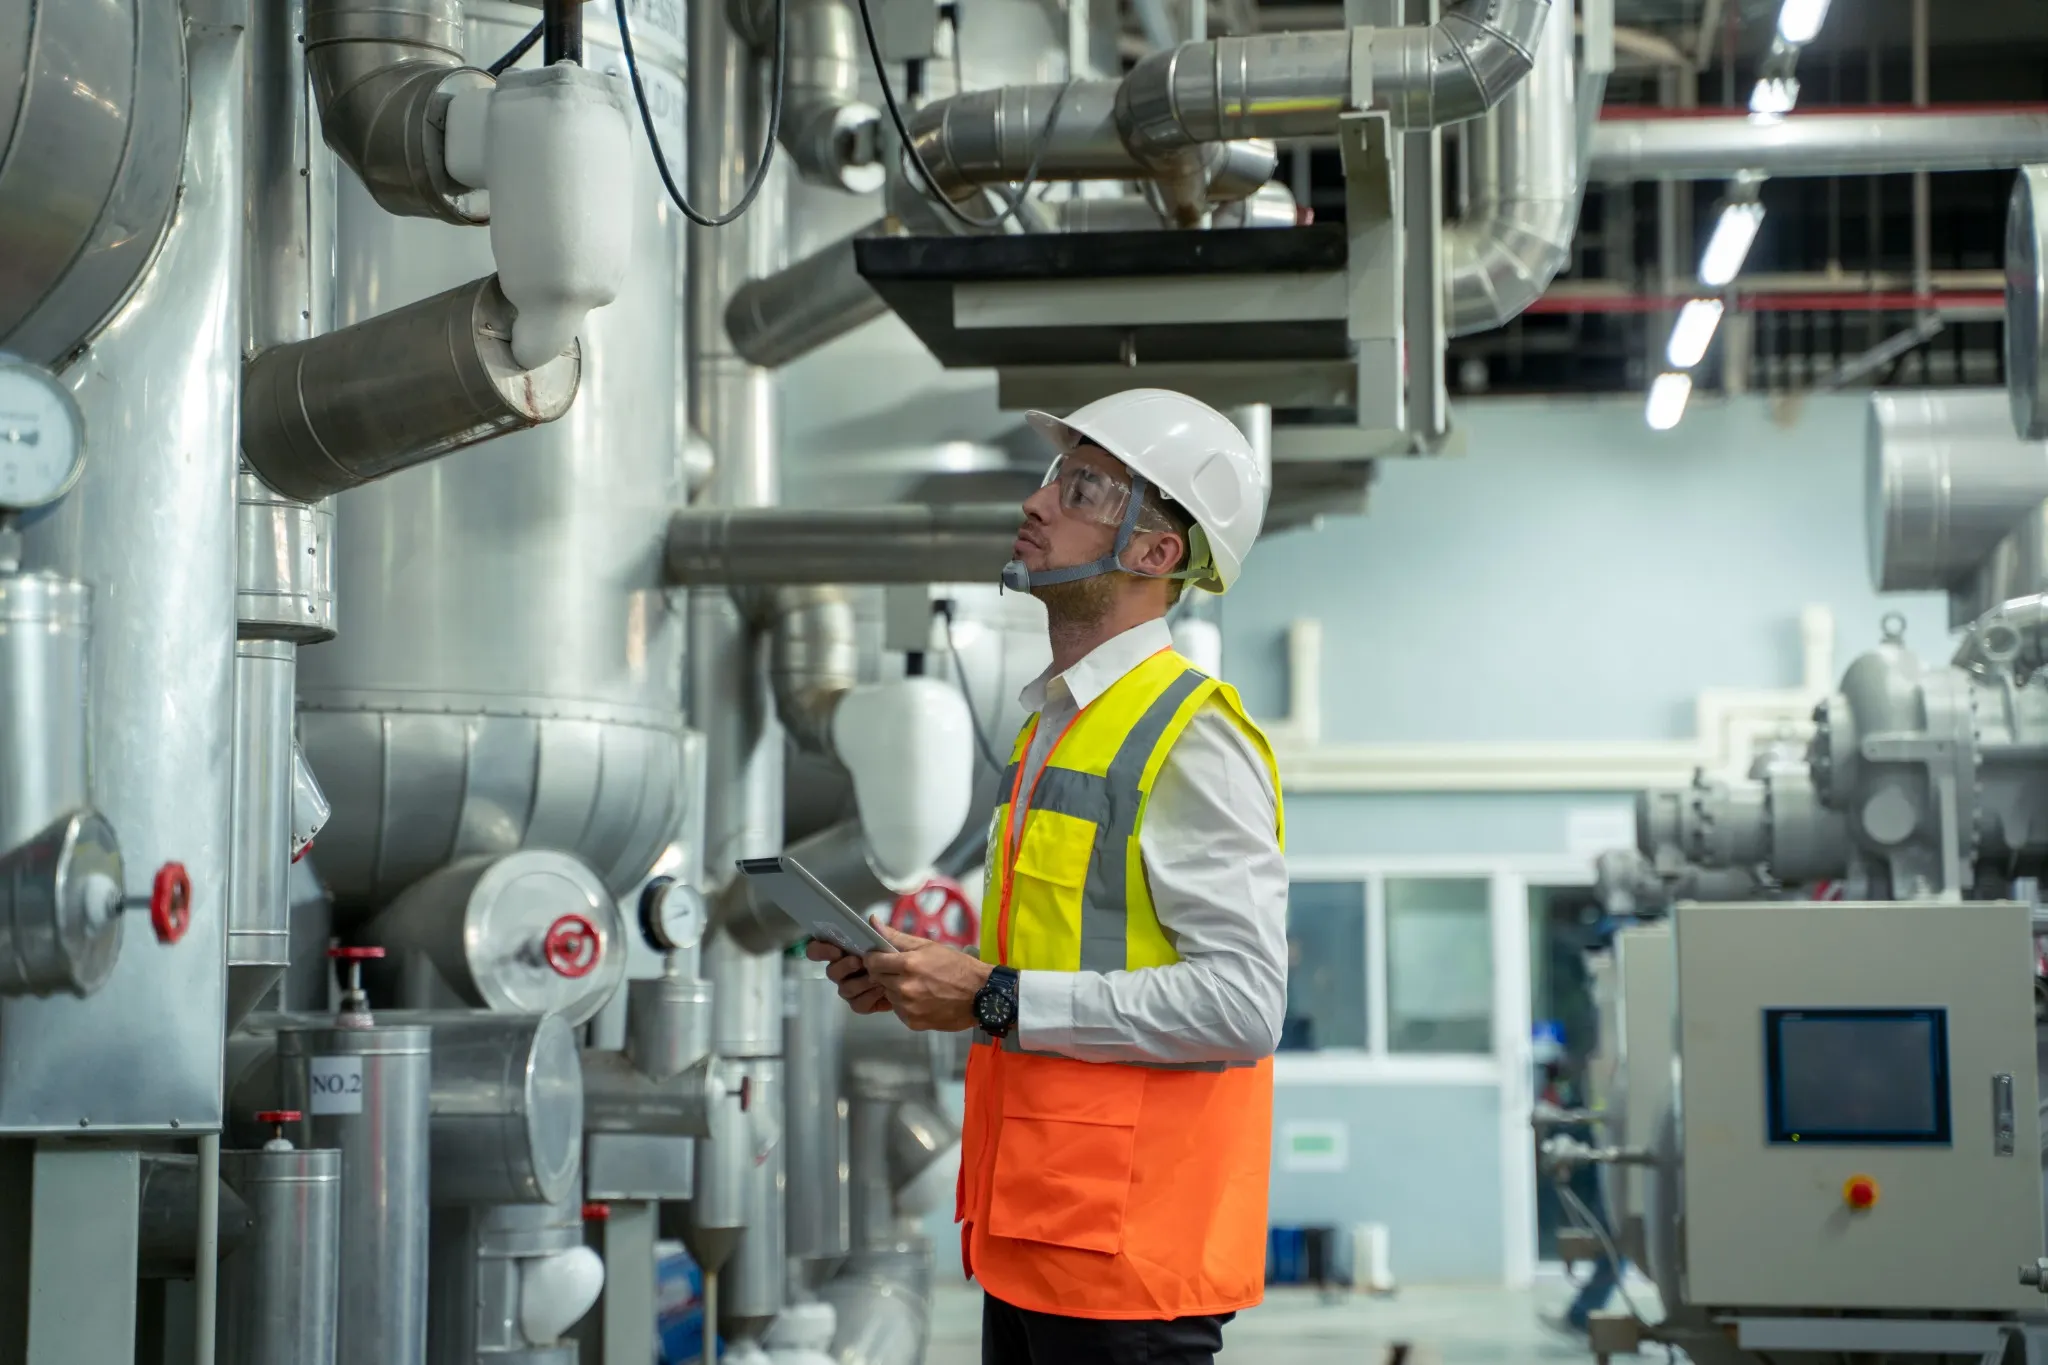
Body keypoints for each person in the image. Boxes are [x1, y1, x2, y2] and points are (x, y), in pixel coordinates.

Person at [806, 388, 1287, 1365]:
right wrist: (930, 979)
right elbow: (1055, 965)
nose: (1036, 502)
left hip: (1129, 1269)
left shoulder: (1190, 737)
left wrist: (990, 997)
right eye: (1053, 479)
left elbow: (1241, 1005)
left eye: (1082, 489)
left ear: (1154, 551)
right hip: (1035, 1245)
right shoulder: (1055, 728)